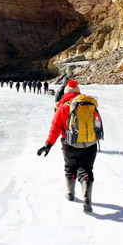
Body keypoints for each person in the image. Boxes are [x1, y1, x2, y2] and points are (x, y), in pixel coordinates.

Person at [37, 80, 98, 213]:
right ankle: (87, 200)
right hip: (90, 144)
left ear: (66, 93)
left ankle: (70, 194)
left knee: (70, 168)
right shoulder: (89, 105)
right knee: (86, 170)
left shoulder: (63, 107)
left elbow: (55, 128)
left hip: (69, 144)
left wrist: (48, 145)